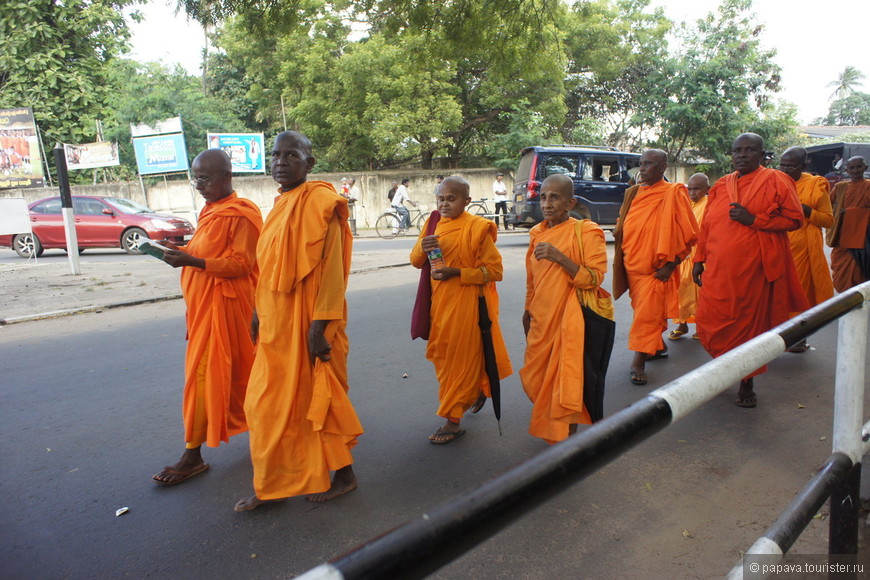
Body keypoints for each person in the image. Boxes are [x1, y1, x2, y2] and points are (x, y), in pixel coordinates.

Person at [235, 131, 363, 511]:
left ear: (310, 163)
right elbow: (268, 268)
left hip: (310, 324)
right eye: (275, 155)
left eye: (292, 155)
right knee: (265, 405)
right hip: (275, 325)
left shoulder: (323, 203)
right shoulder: (277, 207)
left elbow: (333, 275)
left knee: (318, 401)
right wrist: (258, 311)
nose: (281, 162)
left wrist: (320, 326)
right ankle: (275, 483)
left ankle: (344, 476)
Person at [152, 149, 263, 486]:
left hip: (228, 308)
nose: (198, 185)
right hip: (204, 307)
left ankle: (192, 454)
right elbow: (207, 253)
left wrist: (192, 262)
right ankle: (270, 427)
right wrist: (183, 255)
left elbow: (242, 265)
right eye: (195, 178)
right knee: (240, 375)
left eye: (204, 178)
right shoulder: (211, 210)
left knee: (205, 376)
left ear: (226, 176)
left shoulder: (242, 214)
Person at [693, 133, 809, 408]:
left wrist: (754, 220)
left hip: (753, 270)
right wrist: (698, 258)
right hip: (718, 270)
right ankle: (724, 369)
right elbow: (708, 225)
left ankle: (746, 381)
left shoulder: (776, 180)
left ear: (762, 154)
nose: (741, 155)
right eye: (737, 150)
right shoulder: (722, 184)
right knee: (710, 322)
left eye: (749, 150)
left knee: (747, 328)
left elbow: (795, 219)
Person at [410, 175, 512, 444]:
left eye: (451, 199)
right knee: (445, 359)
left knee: (459, 361)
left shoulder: (477, 228)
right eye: (441, 199)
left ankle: (452, 421)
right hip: (440, 306)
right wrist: (422, 247)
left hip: (468, 306)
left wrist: (458, 272)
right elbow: (415, 260)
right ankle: (475, 390)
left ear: (466, 201)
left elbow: (495, 271)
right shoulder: (432, 223)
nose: (444, 204)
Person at [520, 174, 610, 443]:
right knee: (535, 380)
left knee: (567, 382)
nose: (546, 203)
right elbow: (532, 280)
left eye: (554, 197)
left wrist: (560, 258)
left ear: (570, 203)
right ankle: (559, 436)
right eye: (543, 196)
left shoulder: (588, 232)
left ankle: (565, 440)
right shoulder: (537, 234)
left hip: (571, 319)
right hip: (540, 319)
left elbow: (594, 279)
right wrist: (527, 311)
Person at [612, 149, 698, 386]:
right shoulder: (633, 193)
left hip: (656, 270)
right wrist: (619, 230)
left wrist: (671, 266)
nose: (642, 169)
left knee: (646, 317)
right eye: (641, 164)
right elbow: (624, 222)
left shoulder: (674, 193)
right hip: (633, 266)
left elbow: (688, 234)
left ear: (662, 167)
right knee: (645, 312)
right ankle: (656, 347)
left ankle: (638, 362)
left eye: (648, 164)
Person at [778, 147, 834, 353]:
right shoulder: (774, 182)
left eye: (790, 166)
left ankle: (798, 337)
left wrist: (806, 210)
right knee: (776, 295)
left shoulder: (814, 185)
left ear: (804, 165)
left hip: (801, 251)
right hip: (777, 247)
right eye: (782, 164)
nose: (784, 170)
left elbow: (828, 220)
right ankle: (775, 338)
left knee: (799, 294)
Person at [669, 173, 709, 341]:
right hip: (682, 255)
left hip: (701, 257)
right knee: (681, 291)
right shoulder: (685, 204)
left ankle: (702, 326)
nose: (692, 193)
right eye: (690, 189)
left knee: (700, 293)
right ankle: (682, 324)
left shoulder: (710, 205)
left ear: (707, 189)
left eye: (697, 189)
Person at [828, 156, 870, 292]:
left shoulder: (868, 186)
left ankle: (858, 296)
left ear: (865, 168)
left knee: (858, 268)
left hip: (862, 238)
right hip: (842, 236)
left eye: (859, 167)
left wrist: (854, 213)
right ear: (846, 170)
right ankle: (844, 298)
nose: (856, 170)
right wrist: (839, 214)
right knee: (840, 267)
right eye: (852, 168)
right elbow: (828, 206)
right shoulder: (840, 187)